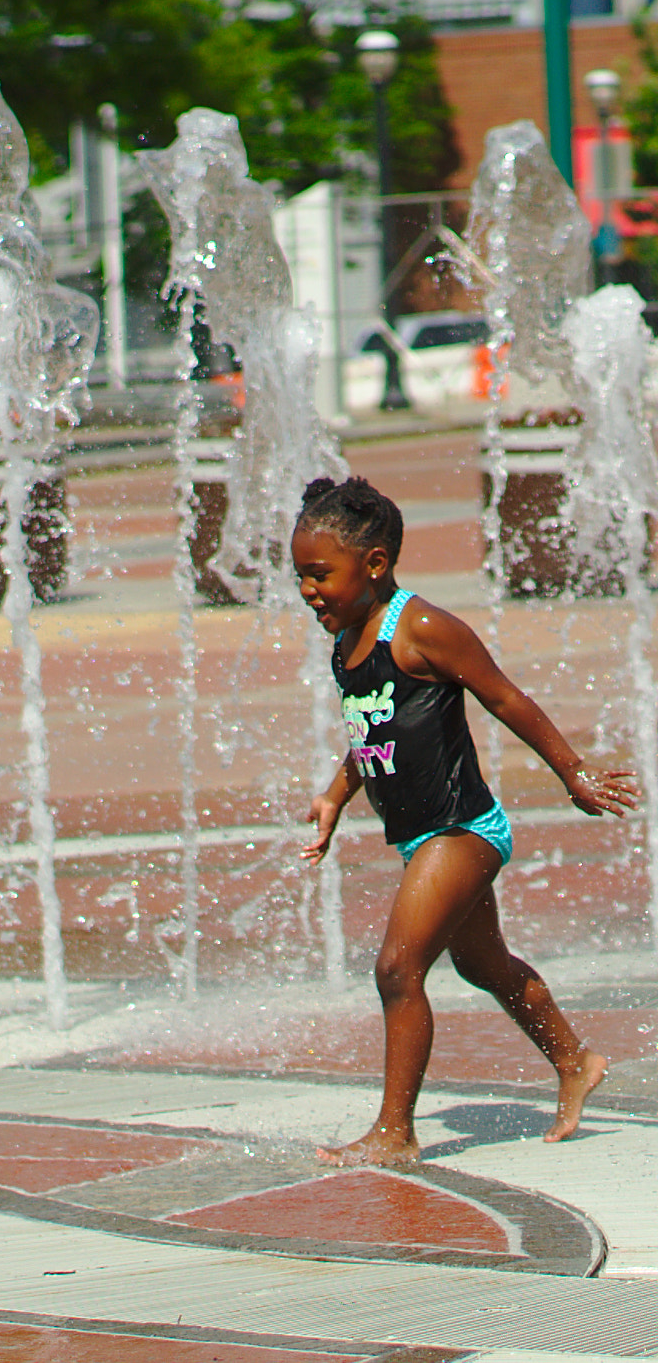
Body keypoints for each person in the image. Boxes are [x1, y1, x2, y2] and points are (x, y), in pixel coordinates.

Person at [295, 476, 635, 1166]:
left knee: (398, 967)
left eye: (320, 574)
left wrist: (571, 770)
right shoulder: (347, 642)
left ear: (376, 564)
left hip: (463, 830)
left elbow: (506, 697)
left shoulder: (421, 629)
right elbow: (371, 731)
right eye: (300, 575)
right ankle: (575, 1060)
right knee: (485, 964)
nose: (308, 590)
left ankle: (396, 1131)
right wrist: (335, 795)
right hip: (422, 836)